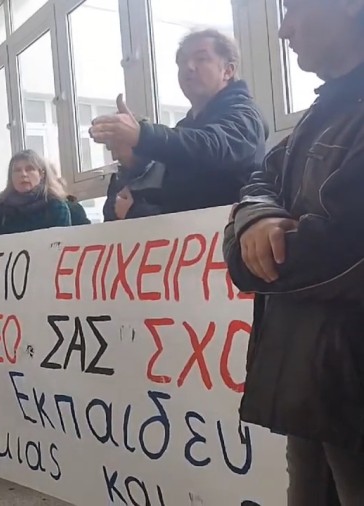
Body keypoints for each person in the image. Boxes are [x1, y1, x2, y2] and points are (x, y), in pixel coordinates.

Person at [222, 0, 364, 504]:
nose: (283, 30)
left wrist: (249, 250)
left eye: (295, 8)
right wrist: (257, 216)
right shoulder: (322, 112)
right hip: (316, 380)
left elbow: (342, 249)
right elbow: (260, 179)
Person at [91, 29, 267, 219]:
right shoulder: (186, 126)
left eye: (201, 58)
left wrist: (142, 135)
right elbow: (180, 197)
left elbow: (212, 146)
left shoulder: (245, 115)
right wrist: (135, 167)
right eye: (182, 61)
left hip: (231, 233)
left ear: (228, 70)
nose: (188, 67)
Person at [0, 150, 72, 235]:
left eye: (29, 169)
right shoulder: (0, 210)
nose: (23, 174)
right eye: (17, 170)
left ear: (41, 174)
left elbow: (62, 239)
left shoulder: (56, 206)